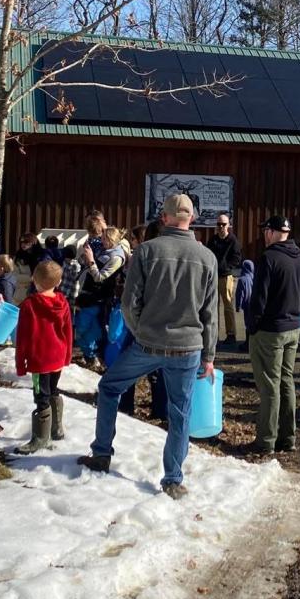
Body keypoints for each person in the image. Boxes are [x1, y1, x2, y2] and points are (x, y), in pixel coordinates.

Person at [77, 194, 217, 500]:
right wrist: (209, 356)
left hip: (148, 343)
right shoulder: (207, 257)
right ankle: (173, 479)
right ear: (190, 218)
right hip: (188, 348)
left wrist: (141, 331)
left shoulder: (146, 252)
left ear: (164, 218)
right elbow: (210, 314)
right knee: (179, 412)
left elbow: (129, 302)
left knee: (110, 388)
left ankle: (101, 453)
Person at [247, 215, 300, 455]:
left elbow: (259, 298)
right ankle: (288, 437)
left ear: (274, 233)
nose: (264, 234)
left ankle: (266, 440)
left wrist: (253, 326)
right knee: (286, 381)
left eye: (266, 230)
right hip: (293, 327)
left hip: (271, 330)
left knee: (270, 386)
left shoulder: (269, 257)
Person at [12, 261, 73, 454]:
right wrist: (67, 355)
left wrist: (21, 364)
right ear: (59, 281)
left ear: (34, 280)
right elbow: (68, 331)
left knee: (41, 396)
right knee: (53, 390)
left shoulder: (29, 305)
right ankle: (56, 429)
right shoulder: (63, 302)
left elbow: (22, 337)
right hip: (58, 356)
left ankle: (41, 437)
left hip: (40, 360)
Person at [78, 224, 127, 364]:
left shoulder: (117, 256)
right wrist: (86, 255)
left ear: (112, 239)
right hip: (88, 294)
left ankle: (97, 355)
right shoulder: (103, 250)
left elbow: (100, 277)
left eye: (105, 238)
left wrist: (91, 260)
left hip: (100, 297)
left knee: (91, 328)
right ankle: (90, 355)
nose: (102, 241)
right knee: (88, 328)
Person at [208, 213, 244, 349]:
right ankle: (214, 333)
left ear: (228, 225)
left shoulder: (233, 241)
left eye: (223, 224)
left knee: (228, 305)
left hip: (226, 276)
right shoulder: (212, 240)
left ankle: (231, 334)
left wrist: (226, 267)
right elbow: (208, 254)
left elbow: (237, 258)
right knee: (212, 306)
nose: (221, 227)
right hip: (213, 276)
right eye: (219, 224)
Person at [234, 259, 256, 342]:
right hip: (254, 303)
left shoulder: (242, 279)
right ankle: (251, 341)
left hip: (246, 305)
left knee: (247, 322)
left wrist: (238, 306)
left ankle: (247, 342)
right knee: (252, 322)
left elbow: (240, 294)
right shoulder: (254, 277)